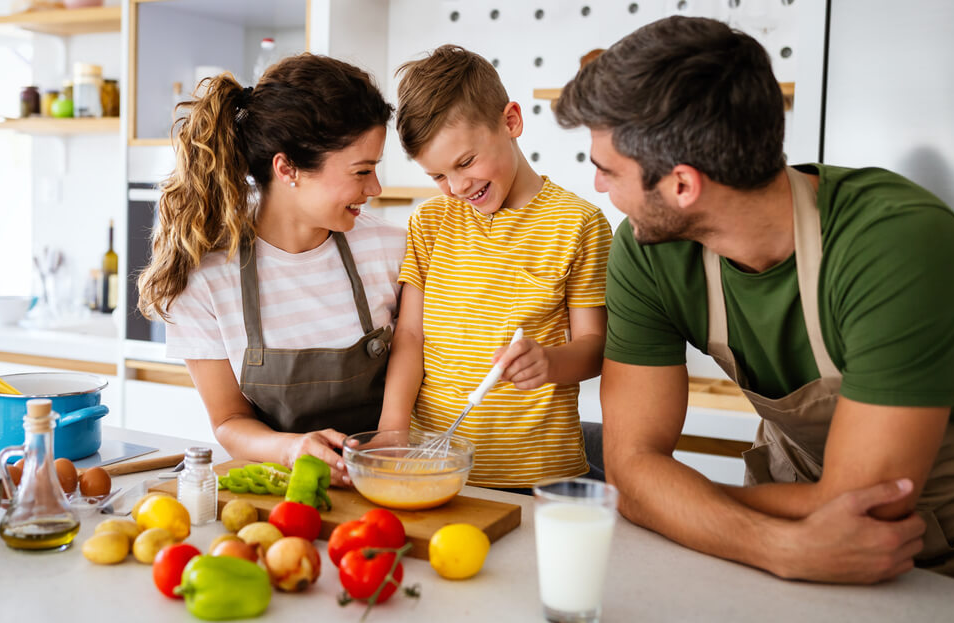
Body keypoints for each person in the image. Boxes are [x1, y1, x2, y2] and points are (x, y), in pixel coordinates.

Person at [555, 16, 954, 583]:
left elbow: (874, 503)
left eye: (606, 170)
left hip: (945, 540)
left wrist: (679, 502)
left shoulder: (897, 241)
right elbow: (631, 471)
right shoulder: (647, 252)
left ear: (682, 185)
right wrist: (777, 546)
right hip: (780, 533)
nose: (600, 187)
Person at [137, 55, 404, 486]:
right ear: (287, 168)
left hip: (390, 482)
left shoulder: (390, 248)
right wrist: (291, 448)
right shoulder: (205, 279)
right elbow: (228, 419)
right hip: (284, 495)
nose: (374, 188)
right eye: (362, 171)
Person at [378, 45, 613, 489]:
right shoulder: (430, 222)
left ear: (511, 122)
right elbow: (410, 335)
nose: (457, 186)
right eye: (438, 176)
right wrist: (393, 427)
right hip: (437, 466)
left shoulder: (578, 224)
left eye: (465, 162)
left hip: (539, 476)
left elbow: (596, 346)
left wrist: (550, 363)